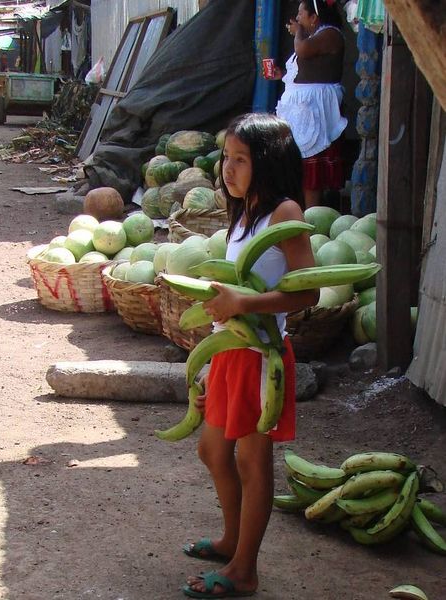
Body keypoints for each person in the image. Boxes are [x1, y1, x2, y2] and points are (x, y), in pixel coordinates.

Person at [181, 112, 319, 598]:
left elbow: (308, 293)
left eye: (240, 160)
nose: (228, 169)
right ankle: (231, 540)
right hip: (229, 351)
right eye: (226, 158)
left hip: (262, 357)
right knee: (211, 450)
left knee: (252, 463)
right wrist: (206, 357)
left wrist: (245, 303)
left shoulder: (285, 214)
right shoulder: (242, 213)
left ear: (267, 162)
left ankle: (245, 570)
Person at [270, 0, 347, 209]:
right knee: (300, 167)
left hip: (315, 112)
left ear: (314, 17)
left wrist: (298, 32)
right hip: (302, 111)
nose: (297, 18)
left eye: (301, 14)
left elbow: (303, 50)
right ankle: (298, 213)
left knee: (312, 171)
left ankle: (311, 216)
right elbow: (307, 71)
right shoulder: (315, 36)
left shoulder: (330, 34)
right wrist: (282, 75)